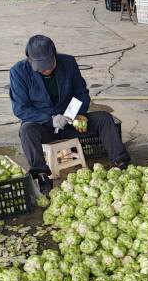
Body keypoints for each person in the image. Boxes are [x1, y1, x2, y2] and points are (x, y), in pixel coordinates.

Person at [10, 34, 130, 194]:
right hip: (44, 127)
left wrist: (74, 114)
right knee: (26, 130)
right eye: (41, 67)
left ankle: (121, 162)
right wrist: (50, 120)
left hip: (70, 121)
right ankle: (41, 175)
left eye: (50, 65)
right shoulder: (18, 72)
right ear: (29, 60)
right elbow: (21, 109)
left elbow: (81, 93)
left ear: (55, 56)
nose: (46, 70)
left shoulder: (68, 63)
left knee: (104, 118)